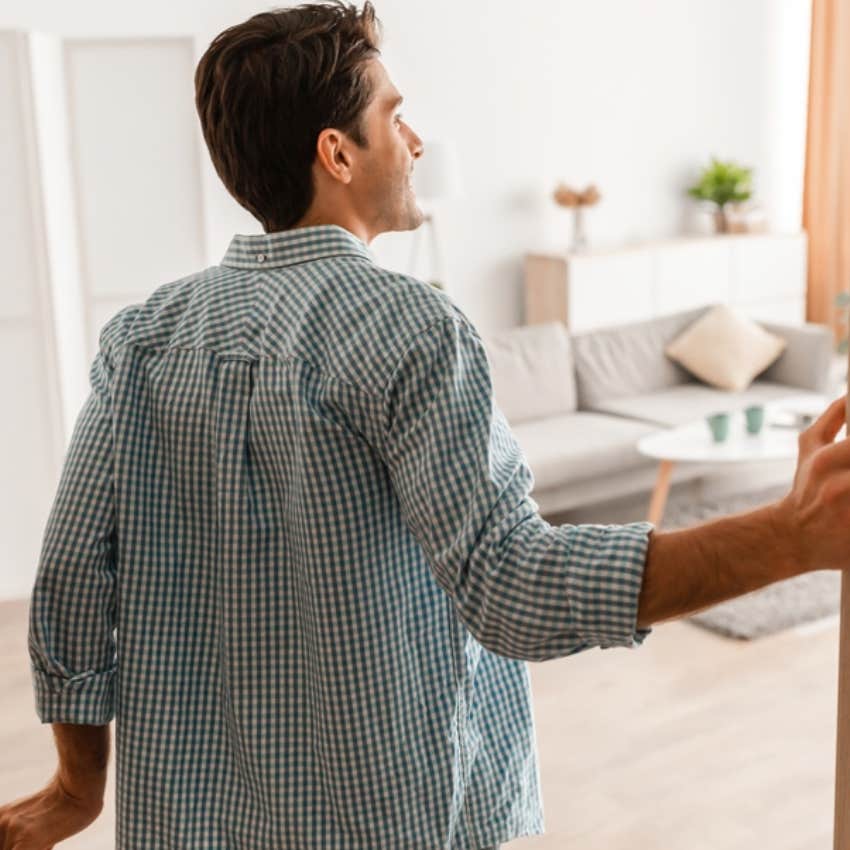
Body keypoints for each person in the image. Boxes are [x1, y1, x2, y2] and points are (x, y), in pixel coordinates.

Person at [1, 2, 849, 848]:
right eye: (394, 116)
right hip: (382, 816)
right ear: (337, 152)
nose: (413, 142)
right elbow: (514, 587)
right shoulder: (411, 327)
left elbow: (73, 580)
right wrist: (792, 537)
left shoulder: (143, 338)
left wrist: (76, 791)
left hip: (188, 822)